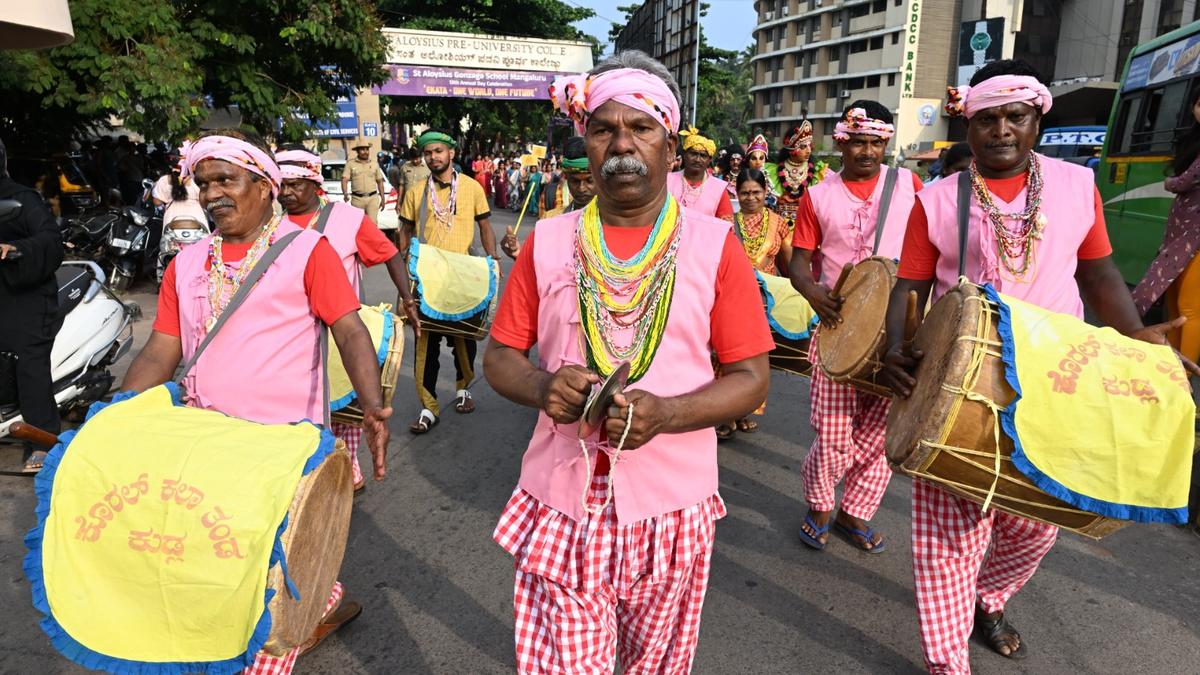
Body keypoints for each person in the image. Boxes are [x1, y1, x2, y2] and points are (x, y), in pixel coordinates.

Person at [879, 60, 1189, 673]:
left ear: (1037, 119)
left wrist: (1133, 335)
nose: (1000, 131)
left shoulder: (1077, 186)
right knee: (949, 532)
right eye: (986, 119)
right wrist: (896, 344)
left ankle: (987, 599)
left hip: (1057, 378)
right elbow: (909, 283)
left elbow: (1098, 272)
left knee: (1034, 526)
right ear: (968, 127)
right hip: (958, 376)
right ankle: (947, 661)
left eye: (1014, 117)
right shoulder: (937, 199)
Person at [484, 49, 772, 674]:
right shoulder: (548, 241)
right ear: (584, 144)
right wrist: (542, 387)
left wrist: (668, 412)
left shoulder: (716, 247)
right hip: (561, 501)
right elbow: (501, 357)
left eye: (641, 128)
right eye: (603, 128)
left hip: (671, 506)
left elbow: (751, 380)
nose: (622, 144)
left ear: (671, 146)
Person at [122, 130, 391, 674]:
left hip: (283, 449)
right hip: (205, 446)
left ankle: (278, 639)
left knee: (261, 577)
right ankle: (321, 595)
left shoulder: (307, 251)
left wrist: (374, 405)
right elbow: (161, 349)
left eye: (227, 179)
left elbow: (350, 330)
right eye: (203, 183)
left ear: (265, 186)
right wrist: (117, 417)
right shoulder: (188, 263)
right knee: (218, 560)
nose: (214, 193)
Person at [788, 100, 922, 554]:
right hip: (837, 327)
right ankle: (820, 504)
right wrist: (812, 293)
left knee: (877, 433)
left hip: (897, 331)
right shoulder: (818, 196)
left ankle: (855, 513)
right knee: (832, 431)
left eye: (876, 142)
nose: (867, 151)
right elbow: (799, 261)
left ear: (886, 143)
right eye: (859, 142)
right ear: (842, 143)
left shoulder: (909, 185)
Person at [276, 145, 422, 491]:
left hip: (341, 331)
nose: (286, 192)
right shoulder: (269, 224)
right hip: (292, 337)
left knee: (345, 409)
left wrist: (407, 298)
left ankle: (349, 468)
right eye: (281, 184)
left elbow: (390, 255)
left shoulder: (347, 219)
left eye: (295, 184)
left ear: (315, 183)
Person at [397, 129, 499, 433]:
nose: (433, 157)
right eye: (428, 153)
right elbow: (404, 230)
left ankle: (463, 388)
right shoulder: (416, 191)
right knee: (425, 342)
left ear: (451, 153)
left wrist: (492, 261)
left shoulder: (470, 188)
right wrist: (403, 268)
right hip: (427, 277)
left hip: (463, 273)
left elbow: (485, 227)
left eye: (438, 151)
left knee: (463, 338)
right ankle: (428, 406)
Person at [0, 137, 65, 473]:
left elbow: (50, 241)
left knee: (29, 368)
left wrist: (15, 249)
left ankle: (41, 441)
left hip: (23, 299)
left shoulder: (21, 198)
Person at [714, 167, 793, 438]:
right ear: (737, 193)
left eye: (756, 192)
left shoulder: (779, 224)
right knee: (727, 357)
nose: (750, 198)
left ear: (765, 192)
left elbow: (788, 265)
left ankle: (743, 412)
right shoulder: (725, 222)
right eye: (745, 193)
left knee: (756, 360)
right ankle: (726, 414)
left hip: (764, 302)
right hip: (732, 298)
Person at [1132, 88, 1200, 361]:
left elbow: (1186, 180)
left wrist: (1171, 183)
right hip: (1180, 235)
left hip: (1196, 238)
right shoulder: (1194, 140)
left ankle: (1183, 376)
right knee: (1173, 306)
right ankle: (1169, 369)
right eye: (1198, 102)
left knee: (1190, 308)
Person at [500, 137, 595, 260]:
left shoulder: (617, 220)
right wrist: (518, 254)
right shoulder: (550, 219)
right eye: (575, 181)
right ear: (566, 178)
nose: (582, 188)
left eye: (589, 180)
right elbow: (539, 265)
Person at [765, 120, 827, 225]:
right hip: (777, 227)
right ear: (791, 149)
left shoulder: (819, 173)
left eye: (809, 146)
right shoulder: (770, 172)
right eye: (803, 147)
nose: (809, 150)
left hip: (806, 227)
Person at [667, 126, 733, 218]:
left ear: (709, 160)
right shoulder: (667, 181)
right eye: (693, 154)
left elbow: (726, 226)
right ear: (685, 155)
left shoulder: (719, 189)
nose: (698, 159)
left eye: (703, 155)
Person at [340, 140, 385, 225]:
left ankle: (372, 239)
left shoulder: (375, 164)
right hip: (357, 200)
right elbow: (344, 179)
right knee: (358, 225)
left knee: (372, 225)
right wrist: (345, 193)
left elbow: (380, 181)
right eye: (362, 150)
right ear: (357, 151)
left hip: (372, 199)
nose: (365, 152)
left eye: (367, 149)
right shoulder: (350, 164)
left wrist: (383, 198)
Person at [717, 143, 745, 211]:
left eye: (738, 159)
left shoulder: (747, 177)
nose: (735, 162)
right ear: (728, 161)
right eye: (732, 159)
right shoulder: (721, 178)